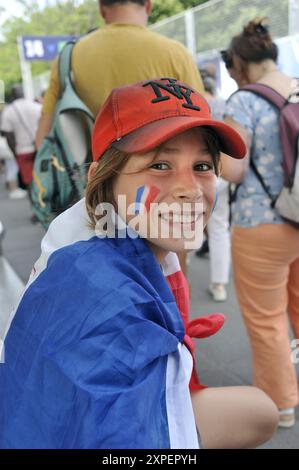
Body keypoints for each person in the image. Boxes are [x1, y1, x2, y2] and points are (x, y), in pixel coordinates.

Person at [0, 78, 278, 449]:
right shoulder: (100, 293)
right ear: (103, 176)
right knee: (259, 411)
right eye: (160, 164)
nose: (190, 188)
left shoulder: (99, 228)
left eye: (202, 165)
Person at [221, 18, 299, 428]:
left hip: (261, 221)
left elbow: (233, 172)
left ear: (239, 62)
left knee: (267, 318)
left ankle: (280, 403)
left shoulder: (244, 102)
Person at [35, 0, 203, 148]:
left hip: (89, 176)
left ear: (101, 7)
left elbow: (42, 136)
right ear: (149, 5)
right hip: (159, 177)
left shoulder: (68, 57)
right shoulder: (176, 53)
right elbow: (201, 124)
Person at [196, 67, 231, 302]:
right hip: (222, 173)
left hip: (195, 174)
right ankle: (219, 284)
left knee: (181, 225)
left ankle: (177, 282)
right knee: (219, 228)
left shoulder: (192, 106)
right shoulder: (224, 105)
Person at [1, 85, 41, 188]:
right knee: (43, 177)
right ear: (23, 93)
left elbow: (8, 135)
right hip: (40, 147)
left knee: (29, 181)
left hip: (22, 151)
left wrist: (14, 151)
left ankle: (34, 200)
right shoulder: (36, 106)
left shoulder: (8, 112)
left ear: (12, 96)